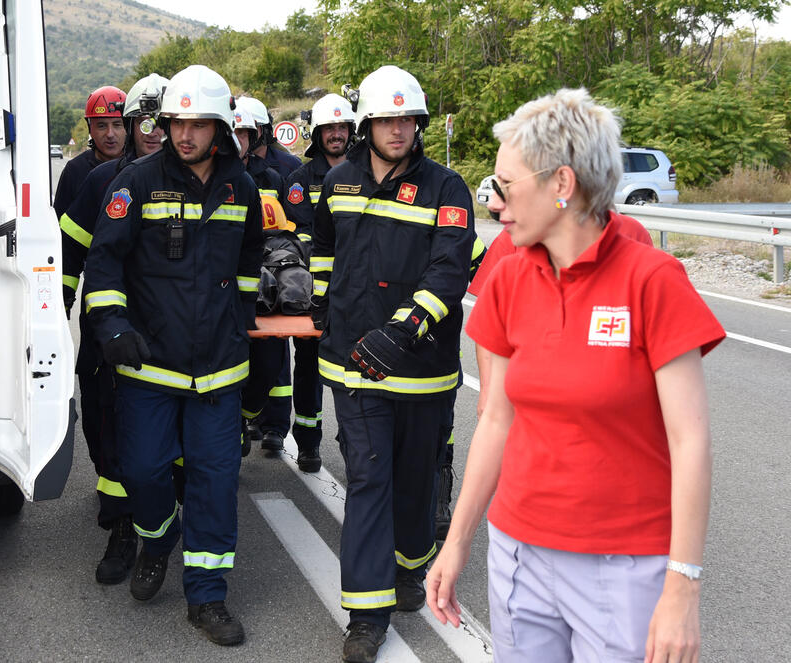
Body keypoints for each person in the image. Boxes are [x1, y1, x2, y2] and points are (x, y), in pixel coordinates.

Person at [426, 88, 724, 663]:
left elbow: (692, 443)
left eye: (506, 186)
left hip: (624, 566)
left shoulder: (652, 280)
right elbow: (495, 421)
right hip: (518, 555)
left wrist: (683, 585)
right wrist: (457, 543)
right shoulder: (508, 277)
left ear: (562, 185)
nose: (496, 201)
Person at [83, 64, 263, 647]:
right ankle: (158, 540)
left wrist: (238, 325)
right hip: (149, 366)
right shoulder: (134, 183)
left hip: (219, 369)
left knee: (214, 480)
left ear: (219, 127)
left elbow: (248, 265)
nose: (184, 136)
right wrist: (112, 327)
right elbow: (104, 265)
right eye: (176, 123)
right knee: (143, 471)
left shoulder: (243, 189)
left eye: (197, 124)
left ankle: (207, 597)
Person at [310, 65, 477, 663]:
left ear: (419, 123)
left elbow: (449, 271)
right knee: (370, 480)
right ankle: (364, 615)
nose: (398, 128)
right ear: (367, 124)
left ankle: (410, 565)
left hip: (422, 369)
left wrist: (403, 330)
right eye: (387, 118)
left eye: (408, 118)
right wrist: (322, 301)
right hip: (353, 368)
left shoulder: (446, 189)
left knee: (414, 484)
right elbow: (324, 247)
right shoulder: (340, 181)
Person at [59, 74, 168, 587]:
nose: (153, 131)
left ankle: (161, 524)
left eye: (161, 121)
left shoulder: (209, 183)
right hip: (109, 336)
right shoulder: (102, 184)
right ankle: (120, 524)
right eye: (143, 120)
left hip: (169, 340)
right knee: (106, 425)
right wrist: (56, 312)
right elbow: (69, 253)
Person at [466, 208, 653, 417]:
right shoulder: (514, 237)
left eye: (510, 183)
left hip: (610, 403)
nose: (495, 203)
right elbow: (490, 327)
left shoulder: (633, 235)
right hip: (529, 395)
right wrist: (488, 390)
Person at [278, 93, 356, 472]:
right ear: (318, 132)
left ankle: (352, 440)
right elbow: (300, 236)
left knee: (355, 365)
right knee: (308, 364)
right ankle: (307, 441)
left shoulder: (367, 171)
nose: (337, 134)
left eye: (342, 127)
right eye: (330, 128)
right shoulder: (300, 180)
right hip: (314, 291)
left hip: (357, 291)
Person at [234, 95, 301, 452]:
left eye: (244, 132)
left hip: (265, 285)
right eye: (232, 131)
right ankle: (235, 427)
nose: (238, 139)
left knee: (270, 361)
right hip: (224, 287)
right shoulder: (209, 177)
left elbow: (290, 232)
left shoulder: (273, 177)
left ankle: (254, 417)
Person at [53, 85, 127, 218]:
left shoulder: (139, 167)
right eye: (101, 125)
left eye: (117, 125)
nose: (110, 134)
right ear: (90, 128)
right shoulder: (75, 170)